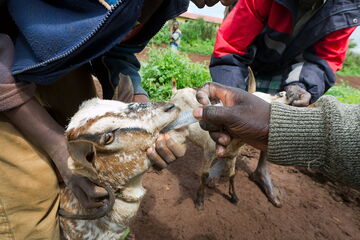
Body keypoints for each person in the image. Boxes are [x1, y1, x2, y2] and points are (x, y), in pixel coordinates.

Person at [0, 0, 233, 238]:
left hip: (59, 64)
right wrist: (57, 146)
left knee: (93, 174)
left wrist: (136, 103)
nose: (224, 3)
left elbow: (116, 47)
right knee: (31, 203)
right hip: (5, 74)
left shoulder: (163, 4)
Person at [193, 82, 360, 190]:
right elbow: (230, 52)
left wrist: (301, 82)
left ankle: (262, 169)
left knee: (248, 124)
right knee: (234, 129)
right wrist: (226, 97)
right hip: (245, 82)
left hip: (284, 81)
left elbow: (324, 59)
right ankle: (225, 160)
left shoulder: (333, 27)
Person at [210, 0, 359, 107]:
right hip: (250, 58)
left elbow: (322, 59)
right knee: (230, 108)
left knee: (275, 127)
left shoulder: (345, 9)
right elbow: (231, 47)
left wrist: (301, 85)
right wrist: (230, 93)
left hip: (292, 69)